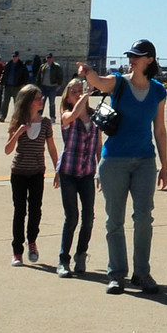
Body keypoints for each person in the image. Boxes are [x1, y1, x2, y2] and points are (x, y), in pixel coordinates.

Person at [83, 40, 167, 293]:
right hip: (114, 161)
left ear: (150, 60)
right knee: (114, 220)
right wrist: (87, 72)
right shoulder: (119, 82)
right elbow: (99, 81)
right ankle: (116, 274)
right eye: (131, 55)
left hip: (145, 160)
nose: (132, 59)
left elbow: (160, 129)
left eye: (138, 56)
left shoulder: (157, 91)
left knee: (144, 218)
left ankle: (142, 273)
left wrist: (164, 165)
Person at [3, 82, 56, 265]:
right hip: (19, 172)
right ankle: (17, 251)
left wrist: (58, 169)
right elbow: (8, 150)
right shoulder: (18, 121)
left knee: (35, 211)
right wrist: (18, 132)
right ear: (28, 102)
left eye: (41, 98)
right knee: (19, 211)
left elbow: (51, 148)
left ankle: (31, 241)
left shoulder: (46, 123)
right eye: (37, 99)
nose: (41, 101)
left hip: (37, 172)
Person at [54, 75, 101, 275]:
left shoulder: (94, 115)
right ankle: (63, 260)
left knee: (89, 216)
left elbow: (99, 145)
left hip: (87, 172)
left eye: (80, 90)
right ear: (68, 96)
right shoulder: (66, 114)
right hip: (69, 171)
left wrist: (101, 169)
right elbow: (72, 116)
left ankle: (81, 255)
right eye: (74, 91)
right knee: (72, 216)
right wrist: (87, 94)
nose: (78, 94)